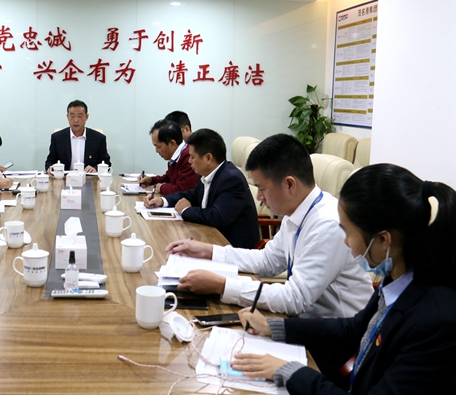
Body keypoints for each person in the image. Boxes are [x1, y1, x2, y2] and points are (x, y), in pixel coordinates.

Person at [233, 163, 456, 394]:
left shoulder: (436, 322)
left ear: (383, 240)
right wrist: (274, 327)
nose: (346, 242)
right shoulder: (398, 279)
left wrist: (290, 371)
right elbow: (354, 328)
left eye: (348, 232)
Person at [166, 134, 373, 318]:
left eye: (262, 188)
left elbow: (295, 298)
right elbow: (267, 260)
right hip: (305, 321)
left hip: (335, 334)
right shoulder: (297, 212)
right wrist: (209, 251)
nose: (259, 197)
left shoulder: (327, 225)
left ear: (289, 184)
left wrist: (222, 285)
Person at [147, 128, 259, 248]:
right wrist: (162, 201)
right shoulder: (209, 174)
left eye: (192, 157)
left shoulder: (231, 179)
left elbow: (216, 217)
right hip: (212, 239)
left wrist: (185, 210)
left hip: (233, 248)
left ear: (208, 158)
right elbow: (192, 194)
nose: (189, 161)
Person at [45, 99, 110, 173]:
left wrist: (95, 168)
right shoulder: (57, 138)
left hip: (89, 177)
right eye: (72, 116)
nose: (76, 120)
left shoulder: (98, 138)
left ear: (86, 117)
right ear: (67, 117)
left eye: (80, 116)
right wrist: (51, 168)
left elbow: (106, 162)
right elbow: (50, 162)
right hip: (64, 178)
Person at [138, 119, 200, 194]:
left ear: (172, 143)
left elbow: (182, 190)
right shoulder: (175, 156)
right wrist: (151, 180)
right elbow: (168, 178)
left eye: (158, 146)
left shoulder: (188, 157)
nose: (156, 151)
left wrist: (161, 187)